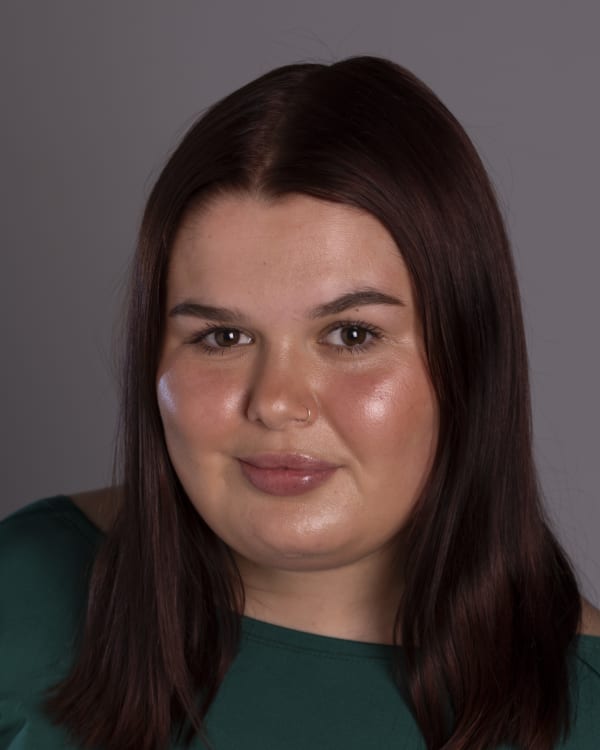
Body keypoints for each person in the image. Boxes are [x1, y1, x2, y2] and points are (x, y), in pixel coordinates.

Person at [0, 56, 598, 750]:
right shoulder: (21, 595)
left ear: (469, 358)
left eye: (352, 335)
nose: (278, 403)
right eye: (222, 336)